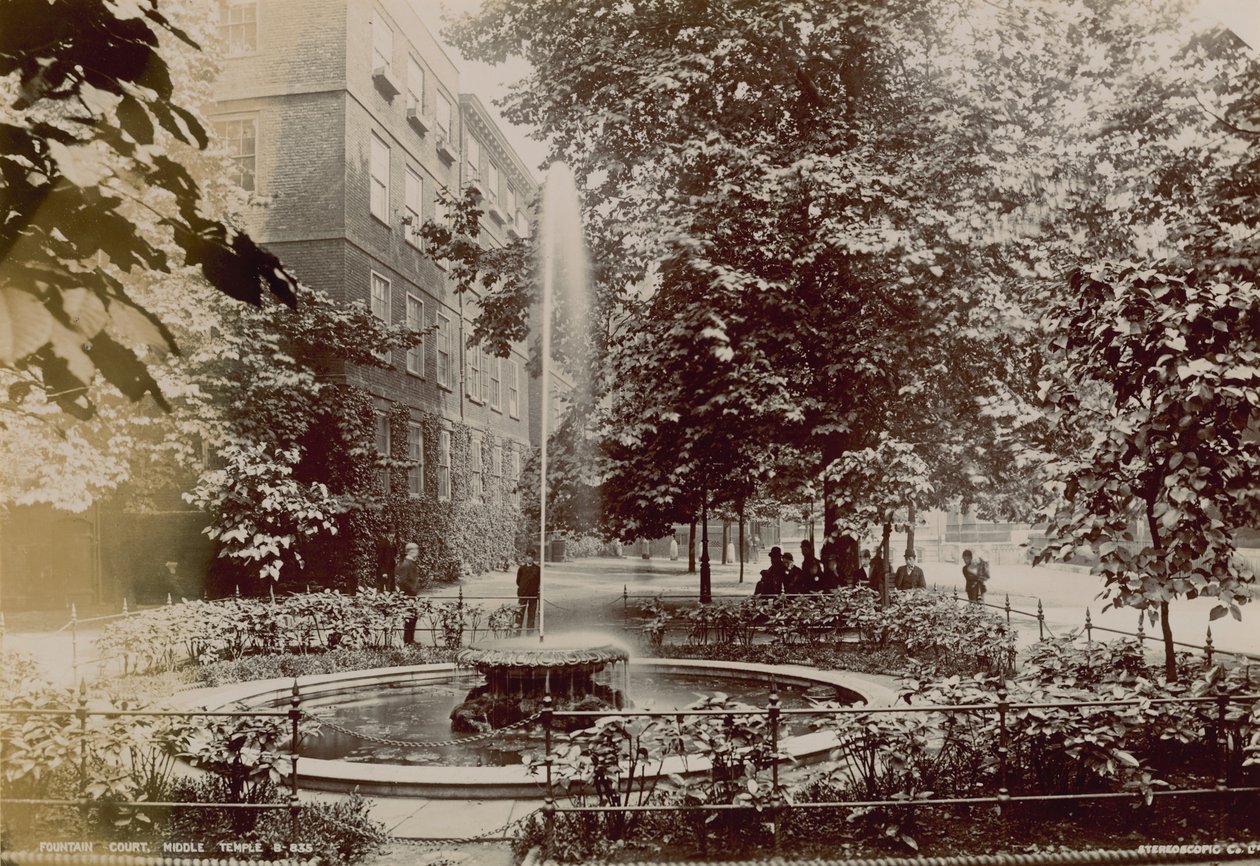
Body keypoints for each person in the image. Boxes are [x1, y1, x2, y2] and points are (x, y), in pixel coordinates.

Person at [395, 542, 423, 644]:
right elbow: (402, 581)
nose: (418, 552)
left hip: (411, 594)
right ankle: (408, 640)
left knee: (413, 617)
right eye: (416, 550)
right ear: (411, 551)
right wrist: (412, 590)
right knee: (409, 617)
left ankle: (410, 639)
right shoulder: (406, 564)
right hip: (408, 595)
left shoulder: (410, 562)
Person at [516, 547, 541, 630]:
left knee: (531, 615)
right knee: (519, 613)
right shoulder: (521, 569)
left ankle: (529, 633)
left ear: (533, 558)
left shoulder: (537, 569)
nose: (529, 558)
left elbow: (539, 581)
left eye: (531, 556)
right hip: (523, 594)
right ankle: (517, 633)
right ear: (525, 557)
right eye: (528, 556)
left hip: (533, 595)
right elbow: (518, 581)